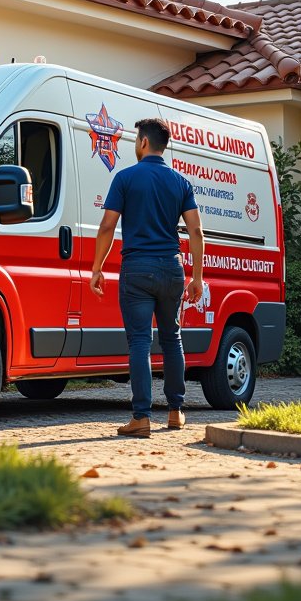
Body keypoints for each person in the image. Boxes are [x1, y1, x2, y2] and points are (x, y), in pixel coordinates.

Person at [90, 117, 204, 438]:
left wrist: (97, 268)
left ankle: (141, 417)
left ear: (143, 142)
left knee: (140, 341)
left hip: (137, 268)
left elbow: (107, 226)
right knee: (172, 338)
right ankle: (176, 412)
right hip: (171, 269)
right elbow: (196, 231)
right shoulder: (181, 182)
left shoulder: (125, 178)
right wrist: (197, 277)